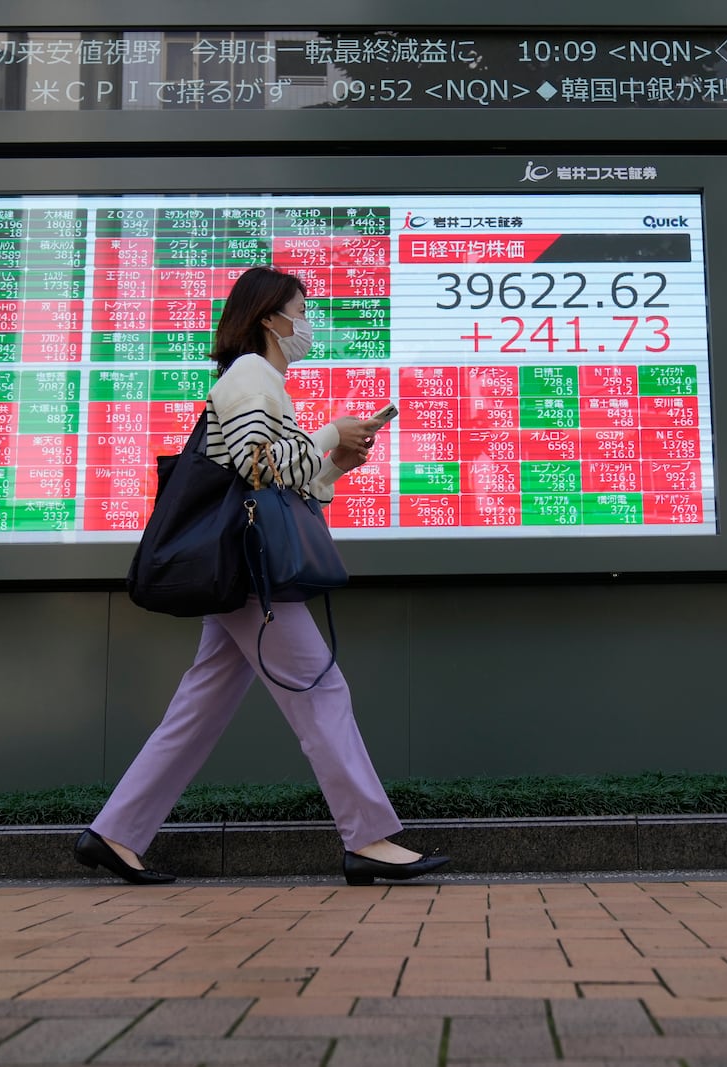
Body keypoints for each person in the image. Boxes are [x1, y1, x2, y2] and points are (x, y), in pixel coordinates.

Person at [75, 265, 449, 887]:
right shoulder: (253, 373)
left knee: (200, 706)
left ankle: (115, 833)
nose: (307, 323)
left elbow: (285, 487)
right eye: (301, 309)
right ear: (270, 317)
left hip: (239, 570)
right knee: (321, 690)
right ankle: (369, 840)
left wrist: (335, 465)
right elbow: (257, 468)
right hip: (248, 574)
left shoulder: (262, 379)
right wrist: (330, 432)